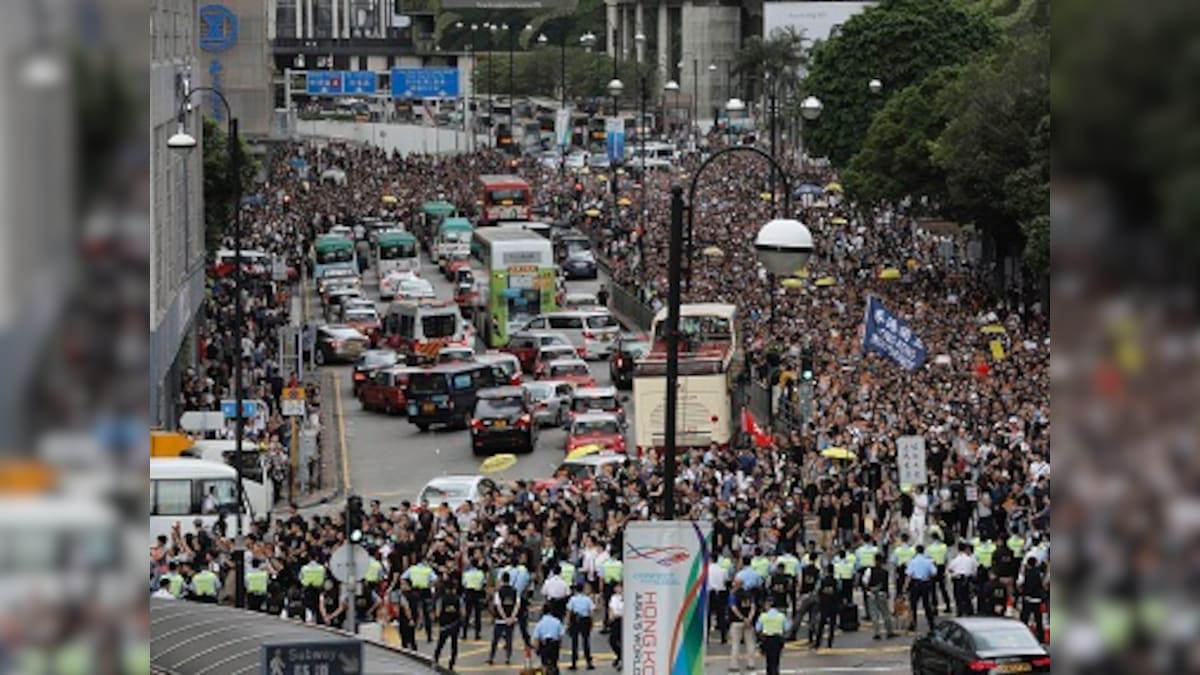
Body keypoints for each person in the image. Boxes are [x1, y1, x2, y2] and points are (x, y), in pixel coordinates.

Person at [486, 572, 520, 666]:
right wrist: (511, 617)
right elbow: (517, 605)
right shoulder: (515, 591)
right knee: (509, 640)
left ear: (502, 580)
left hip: (500, 620)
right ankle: (508, 658)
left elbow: (498, 606)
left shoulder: (499, 592)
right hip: (511, 620)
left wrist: (504, 617)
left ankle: (491, 657)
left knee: (495, 640)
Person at [402, 559, 438, 642]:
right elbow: (435, 579)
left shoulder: (412, 569)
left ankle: (411, 636)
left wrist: (409, 586)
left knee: (414, 612)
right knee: (427, 614)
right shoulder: (428, 570)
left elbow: (403, 577)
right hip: (425, 592)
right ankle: (429, 636)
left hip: (414, 591)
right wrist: (429, 585)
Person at [755, 596, 791, 675]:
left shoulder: (763, 616)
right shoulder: (781, 616)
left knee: (769, 660)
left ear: (768, 605)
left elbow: (757, 628)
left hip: (767, 639)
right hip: (778, 639)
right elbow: (787, 627)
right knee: (776, 659)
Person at [905, 545, 938, 632]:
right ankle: (931, 624)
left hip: (915, 583)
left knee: (913, 605)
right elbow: (934, 573)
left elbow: (909, 575)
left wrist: (905, 587)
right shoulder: (928, 561)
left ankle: (913, 624)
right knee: (927, 604)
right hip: (925, 583)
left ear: (916, 551)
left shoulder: (912, 561)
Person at [433, 578, 463, 670]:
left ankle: (435, 661)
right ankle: (451, 664)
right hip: (455, 625)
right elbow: (463, 612)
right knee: (454, 646)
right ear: (454, 589)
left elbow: (437, 613)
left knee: (440, 645)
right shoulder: (459, 599)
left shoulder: (441, 599)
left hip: (444, 626)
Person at [863, 559, 897, 640]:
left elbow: (864, 581)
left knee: (874, 614)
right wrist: (888, 593)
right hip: (882, 594)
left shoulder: (869, 570)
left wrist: (868, 589)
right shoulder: (885, 572)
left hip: (871, 594)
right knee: (886, 613)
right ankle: (889, 632)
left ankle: (877, 633)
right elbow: (887, 584)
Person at [728, 578, 757, 673]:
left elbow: (734, 608)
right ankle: (751, 663)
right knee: (750, 643)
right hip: (748, 622)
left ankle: (734, 665)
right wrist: (749, 619)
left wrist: (742, 618)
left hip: (736, 621)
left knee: (735, 643)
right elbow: (753, 607)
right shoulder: (749, 594)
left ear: (736, 584)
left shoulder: (733, 595)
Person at [566, 583, 596, 670]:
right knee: (586, 641)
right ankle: (589, 662)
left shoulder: (573, 599)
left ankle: (574, 663)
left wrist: (568, 623)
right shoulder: (587, 599)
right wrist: (592, 623)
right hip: (585, 620)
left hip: (575, 620)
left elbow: (569, 611)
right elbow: (591, 612)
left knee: (574, 643)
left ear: (575, 590)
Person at [1018, 557, 1046, 642]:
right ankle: (1041, 637)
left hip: (1028, 598)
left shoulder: (1025, 573)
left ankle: (1022, 635)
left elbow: (1020, 583)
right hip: (1037, 599)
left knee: (1024, 619)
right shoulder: (1039, 573)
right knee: (1038, 619)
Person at [947, 542, 979, 616]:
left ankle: (960, 612)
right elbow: (975, 569)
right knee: (967, 597)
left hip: (957, 579)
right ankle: (969, 612)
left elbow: (950, 569)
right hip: (967, 579)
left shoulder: (955, 559)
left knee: (958, 597)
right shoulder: (970, 559)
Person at [813, 565, 839, 650]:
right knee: (832, 625)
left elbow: (817, 591)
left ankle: (817, 643)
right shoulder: (836, 581)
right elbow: (839, 592)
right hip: (834, 605)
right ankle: (830, 643)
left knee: (821, 624)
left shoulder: (822, 581)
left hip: (824, 604)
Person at [532, 608, 566, 675]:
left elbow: (536, 638)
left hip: (544, 645)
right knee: (554, 663)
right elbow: (561, 635)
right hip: (554, 644)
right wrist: (559, 645)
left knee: (544, 664)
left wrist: (536, 649)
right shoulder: (557, 621)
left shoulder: (540, 623)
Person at [462, 559, 486, 640]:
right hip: (477, 593)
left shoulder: (466, 573)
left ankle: (464, 634)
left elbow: (464, 584)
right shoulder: (480, 573)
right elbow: (483, 583)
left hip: (468, 593)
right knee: (477, 615)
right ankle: (477, 634)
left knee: (467, 614)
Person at [707, 554, 730, 643]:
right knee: (721, 616)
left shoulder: (706, 569)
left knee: (708, 616)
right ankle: (723, 637)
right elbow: (726, 581)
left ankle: (707, 637)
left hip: (710, 593)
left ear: (710, 559)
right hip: (721, 593)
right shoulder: (723, 570)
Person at [608, 582, 624, 670]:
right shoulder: (614, 597)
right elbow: (611, 607)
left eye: (618, 587)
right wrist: (611, 617)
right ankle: (620, 656)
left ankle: (622, 660)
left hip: (624, 620)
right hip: (615, 620)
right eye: (616, 587)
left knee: (622, 641)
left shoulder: (628, 596)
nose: (617, 589)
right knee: (612, 641)